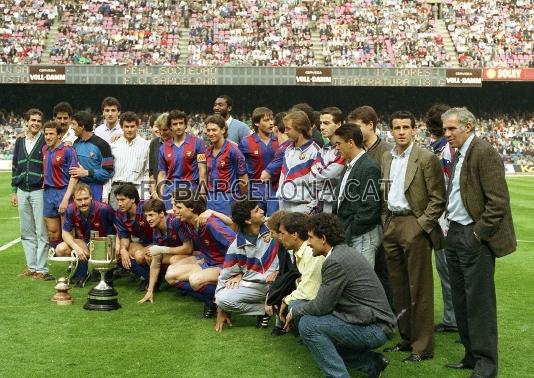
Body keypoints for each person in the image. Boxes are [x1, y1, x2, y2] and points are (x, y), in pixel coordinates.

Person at [442, 107, 516, 378]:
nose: (447, 134)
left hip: (473, 235)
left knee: (479, 303)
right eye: (445, 129)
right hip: (456, 232)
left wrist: (478, 234)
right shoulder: (459, 152)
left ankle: (486, 365)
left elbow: (498, 202)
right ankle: (471, 355)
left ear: (469, 126)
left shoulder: (484, 152)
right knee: (460, 300)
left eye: (452, 128)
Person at [285, 213, 395, 378]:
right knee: (305, 321)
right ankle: (371, 363)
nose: (308, 243)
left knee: (308, 325)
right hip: (365, 319)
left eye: (310, 238)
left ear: (323, 238)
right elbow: (323, 303)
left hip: (375, 328)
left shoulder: (335, 261)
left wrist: (294, 312)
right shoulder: (340, 253)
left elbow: (321, 306)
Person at [381, 110, 446, 362]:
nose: (401, 132)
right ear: (391, 130)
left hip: (413, 223)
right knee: (398, 288)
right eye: (396, 128)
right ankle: (406, 339)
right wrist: (385, 220)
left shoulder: (426, 158)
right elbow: (384, 192)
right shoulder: (387, 157)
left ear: (413, 130)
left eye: (405, 127)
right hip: (392, 222)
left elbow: (437, 199)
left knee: (419, 288)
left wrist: (420, 225)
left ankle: (423, 347)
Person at [348, 105, 394, 310]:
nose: (355, 130)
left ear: (370, 125)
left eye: (358, 126)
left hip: (381, 220)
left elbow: (387, 188)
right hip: (362, 222)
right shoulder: (357, 150)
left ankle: (389, 312)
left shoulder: (386, 151)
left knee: (385, 272)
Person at [168, 189, 236, 317]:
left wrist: (235, 271)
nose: (174, 210)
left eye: (178, 207)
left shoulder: (211, 223)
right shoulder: (182, 222)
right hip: (208, 261)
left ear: (192, 208)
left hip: (225, 265)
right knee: (171, 276)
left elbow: (237, 245)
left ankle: (225, 301)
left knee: (195, 280)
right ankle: (212, 301)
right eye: (173, 206)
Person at [215, 200, 279, 332]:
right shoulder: (235, 246)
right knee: (222, 299)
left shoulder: (275, 229)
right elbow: (224, 276)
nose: (262, 211)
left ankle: (276, 305)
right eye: (256, 210)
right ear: (248, 221)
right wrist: (221, 310)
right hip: (256, 287)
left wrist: (279, 272)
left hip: (280, 282)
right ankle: (266, 310)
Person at [424, 103, 458, 333]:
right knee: (446, 271)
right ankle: (452, 317)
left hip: (446, 220)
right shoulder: (441, 149)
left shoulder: (445, 150)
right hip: (443, 218)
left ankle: (454, 319)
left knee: (448, 270)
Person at [332, 124, 382, 267]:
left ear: (351, 142)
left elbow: (371, 206)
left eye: (339, 144)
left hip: (362, 234)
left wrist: (353, 228)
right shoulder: (351, 165)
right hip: (351, 232)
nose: (337, 148)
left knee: (361, 281)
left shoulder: (368, 166)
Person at [10, 108, 51, 280]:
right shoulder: (19, 141)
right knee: (26, 231)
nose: (35, 123)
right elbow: (14, 166)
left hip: (38, 190)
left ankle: (42, 269)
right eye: (32, 120)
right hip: (21, 190)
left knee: (41, 231)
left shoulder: (45, 140)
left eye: (38, 121)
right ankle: (32, 266)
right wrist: (13, 190)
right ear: (26, 121)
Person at [55, 183, 116, 287]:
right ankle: (82, 273)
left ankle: (108, 272)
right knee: (60, 249)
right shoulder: (70, 209)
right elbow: (65, 233)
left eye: (85, 198)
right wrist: (76, 247)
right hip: (88, 243)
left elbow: (119, 230)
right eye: (79, 199)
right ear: (74, 199)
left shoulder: (104, 209)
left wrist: (117, 247)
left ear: (91, 196)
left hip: (107, 246)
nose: (83, 203)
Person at [137, 198, 193, 304]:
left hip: (198, 254)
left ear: (162, 213)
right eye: (146, 216)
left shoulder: (176, 222)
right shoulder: (156, 227)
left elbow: (189, 249)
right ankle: (155, 284)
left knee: (174, 259)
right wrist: (150, 291)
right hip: (177, 254)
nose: (148, 219)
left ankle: (186, 288)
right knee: (150, 255)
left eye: (151, 215)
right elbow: (157, 257)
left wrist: (161, 249)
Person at [277, 212, 324, 321]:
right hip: (320, 299)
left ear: (294, 235)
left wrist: (285, 300)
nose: (280, 238)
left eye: (282, 233)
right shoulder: (301, 252)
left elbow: (309, 292)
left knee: (295, 305)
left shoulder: (311, 253)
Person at [157, 110, 207, 210]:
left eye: (181, 123)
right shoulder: (163, 147)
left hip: (190, 188)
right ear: (170, 127)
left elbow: (203, 170)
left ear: (186, 125)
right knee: (171, 222)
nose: (178, 126)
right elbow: (162, 173)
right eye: (175, 124)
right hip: (170, 190)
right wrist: (161, 195)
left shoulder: (198, 143)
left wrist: (202, 193)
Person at [42, 121, 79, 250]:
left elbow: (74, 176)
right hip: (48, 193)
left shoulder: (68, 150)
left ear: (59, 135)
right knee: (52, 232)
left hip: (63, 192)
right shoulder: (45, 149)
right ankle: (56, 264)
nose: (48, 137)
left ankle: (71, 264)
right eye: (46, 134)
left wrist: (65, 199)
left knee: (67, 232)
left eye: (51, 134)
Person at [103, 111, 149, 209]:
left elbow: (146, 172)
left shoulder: (146, 145)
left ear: (137, 126)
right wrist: (105, 194)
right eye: (126, 126)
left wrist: (145, 195)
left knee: (136, 222)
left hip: (136, 189)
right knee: (116, 222)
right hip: (117, 189)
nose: (129, 130)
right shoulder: (112, 146)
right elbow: (108, 172)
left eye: (132, 126)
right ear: (122, 127)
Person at [277, 111, 320, 214]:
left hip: (302, 209)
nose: (285, 132)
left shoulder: (315, 152)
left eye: (288, 128)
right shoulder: (288, 149)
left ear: (300, 129)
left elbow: (318, 185)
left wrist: (309, 210)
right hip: (284, 206)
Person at [204, 114, 248, 216]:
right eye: (208, 130)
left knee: (229, 230)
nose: (210, 133)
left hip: (229, 198)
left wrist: (243, 201)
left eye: (214, 130)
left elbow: (243, 179)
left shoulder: (233, 150)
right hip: (211, 199)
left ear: (223, 130)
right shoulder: (207, 152)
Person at [238, 107, 279, 216]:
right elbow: (240, 168)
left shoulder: (279, 140)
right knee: (256, 224)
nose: (271, 123)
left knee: (273, 224)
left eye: (271, 119)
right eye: (266, 120)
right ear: (256, 123)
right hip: (255, 190)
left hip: (276, 190)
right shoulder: (246, 142)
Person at [114, 183, 153, 288]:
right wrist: (123, 250)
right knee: (118, 253)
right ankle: (147, 277)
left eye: (122, 200)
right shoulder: (119, 214)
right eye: (118, 200)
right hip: (143, 242)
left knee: (139, 256)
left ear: (132, 199)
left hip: (160, 242)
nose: (119, 203)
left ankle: (156, 278)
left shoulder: (147, 207)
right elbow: (125, 238)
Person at [70, 111, 114, 202]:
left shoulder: (102, 145)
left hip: (95, 188)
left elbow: (108, 172)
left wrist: (87, 173)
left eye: (74, 124)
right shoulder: (76, 143)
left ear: (82, 126)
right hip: (78, 187)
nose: (71, 127)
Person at [311, 106, 345, 213]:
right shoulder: (324, 148)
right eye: (321, 123)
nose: (321, 127)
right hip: (322, 204)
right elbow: (311, 175)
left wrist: (317, 177)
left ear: (339, 124)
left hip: (337, 205)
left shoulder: (344, 148)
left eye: (326, 123)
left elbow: (330, 175)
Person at [148, 112, 170, 197]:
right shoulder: (154, 143)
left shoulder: (177, 144)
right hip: (157, 190)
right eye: (159, 129)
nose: (161, 133)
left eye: (164, 130)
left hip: (174, 189)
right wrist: (153, 192)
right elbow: (151, 171)